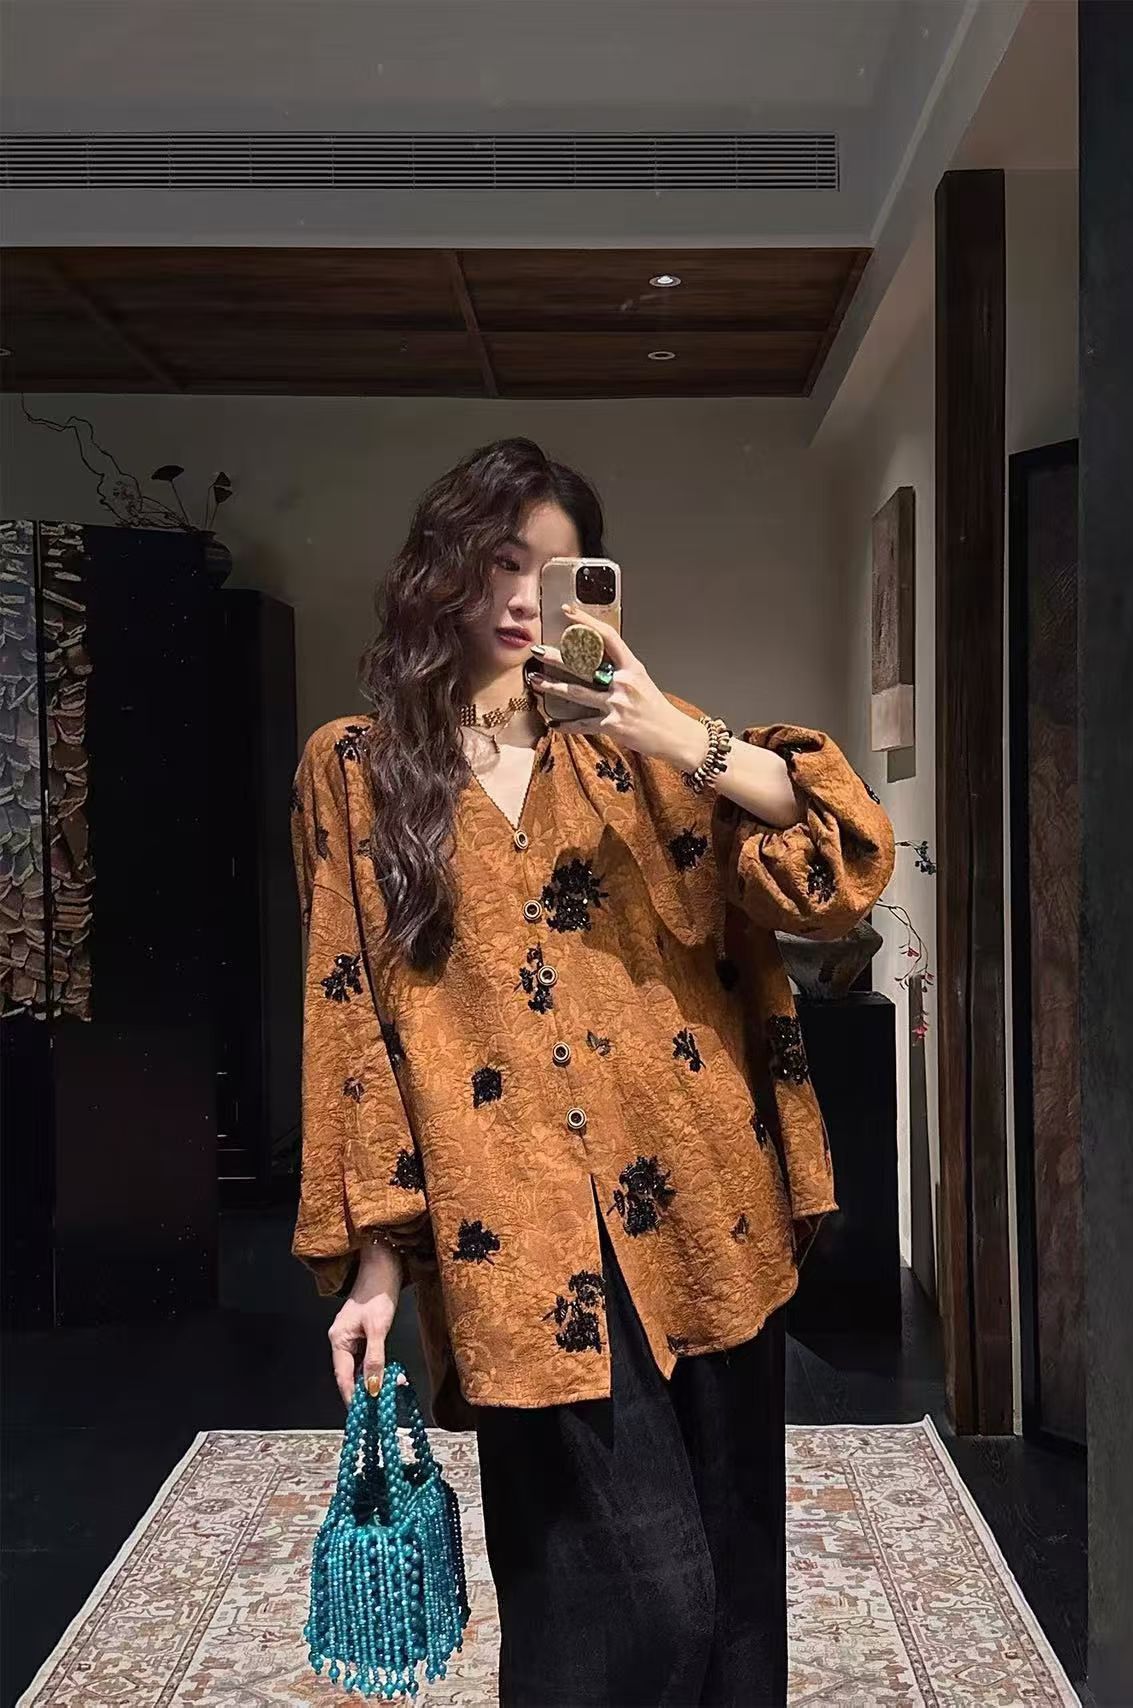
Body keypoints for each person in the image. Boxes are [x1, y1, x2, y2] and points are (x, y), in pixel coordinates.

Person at [290, 436, 896, 1707]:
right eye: (501, 562)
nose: (525, 599)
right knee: (625, 1603)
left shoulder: (644, 755)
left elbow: (833, 865)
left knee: (732, 1597)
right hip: (515, 1245)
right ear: (441, 569)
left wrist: (670, 727)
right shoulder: (356, 771)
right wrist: (378, 1260)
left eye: (559, 573)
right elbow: (354, 1019)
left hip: (706, 1213)